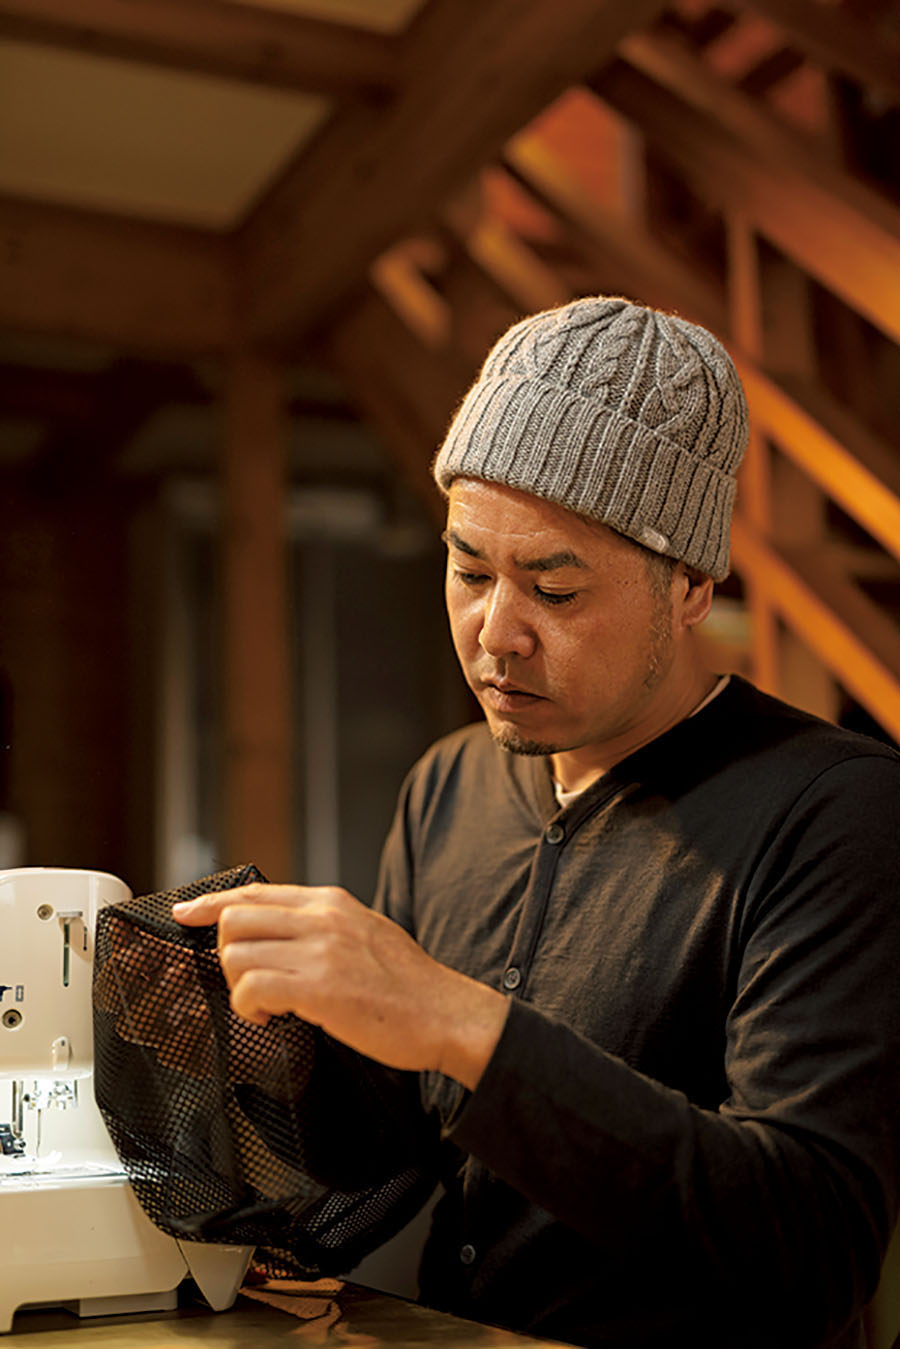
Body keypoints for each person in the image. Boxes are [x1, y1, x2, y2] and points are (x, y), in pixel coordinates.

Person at [174, 296, 900, 1349]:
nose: (496, 633)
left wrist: (462, 1023)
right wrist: (250, 1034)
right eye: (470, 571)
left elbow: (814, 1247)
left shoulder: (835, 809)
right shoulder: (449, 784)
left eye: (554, 589)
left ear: (692, 587)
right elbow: (387, 1152)